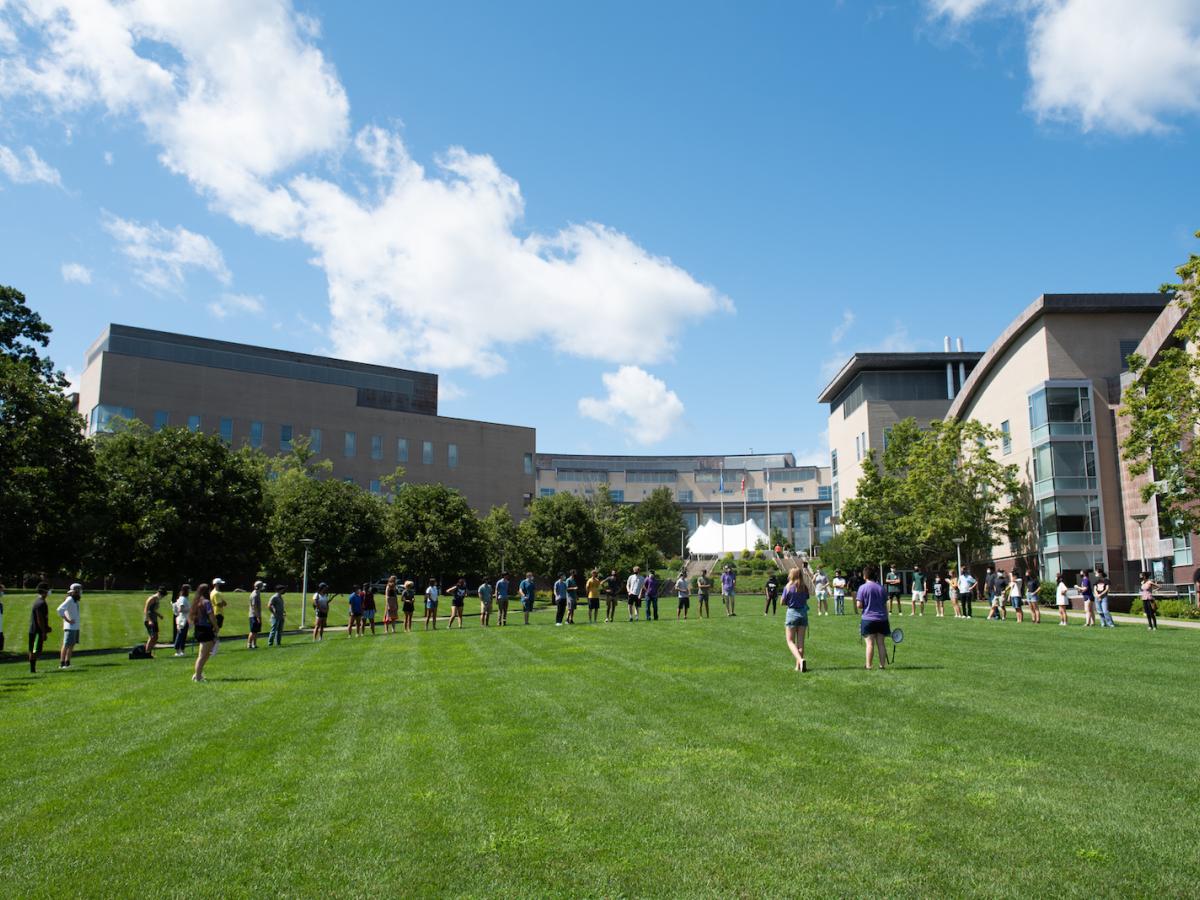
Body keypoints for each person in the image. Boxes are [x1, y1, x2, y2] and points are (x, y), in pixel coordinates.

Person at [856, 565, 890, 670]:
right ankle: (882, 665)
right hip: (882, 618)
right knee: (881, 643)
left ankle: (869, 665)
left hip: (868, 618)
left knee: (870, 644)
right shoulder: (881, 588)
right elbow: (885, 604)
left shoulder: (862, 588)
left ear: (865, 575)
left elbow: (859, 605)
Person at [782, 566, 810, 672]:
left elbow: (782, 602)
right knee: (800, 643)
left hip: (792, 613)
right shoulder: (804, 587)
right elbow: (806, 598)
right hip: (803, 614)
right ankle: (798, 666)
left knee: (790, 641)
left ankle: (800, 660)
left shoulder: (788, 587)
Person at [189, 582, 216, 683]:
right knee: (202, 655)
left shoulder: (196, 602)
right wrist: (216, 626)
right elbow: (211, 616)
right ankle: (198, 677)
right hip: (205, 630)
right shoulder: (206, 602)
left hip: (199, 629)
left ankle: (198, 674)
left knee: (205, 654)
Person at [56, 583, 82, 669]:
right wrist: (67, 620)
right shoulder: (70, 599)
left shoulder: (75, 600)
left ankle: (67, 662)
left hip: (75, 626)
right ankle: (62, 663)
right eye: (79, 590)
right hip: (70, 627)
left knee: (72, 644)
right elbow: (60, 609)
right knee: (66, 644)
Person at [27, 581, 51, 674]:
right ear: (44, 591)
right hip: (36, 630)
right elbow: (39, 618)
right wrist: (43, 631)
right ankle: (32, 670)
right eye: (48, 589)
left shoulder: (40, 602)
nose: (49, 591)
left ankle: (33, 669)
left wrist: (47, 626)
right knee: (34, 650)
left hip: (37, 630)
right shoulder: (40, 603)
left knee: (35, 650)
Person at [143, 585, 166, 657]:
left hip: (154, 619)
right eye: (162, 595)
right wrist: (149, 620)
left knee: (156, 637)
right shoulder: (152, 598)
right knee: (152, 636)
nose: (162, 597)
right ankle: (147, 653)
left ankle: (149, 652)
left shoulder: (157, 599)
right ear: (159, 593)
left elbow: (153, 610)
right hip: (149, 620)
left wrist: (159, 615)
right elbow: (146, 610)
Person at [172, 584, 191, 656]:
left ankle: (182, 651)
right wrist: (189, 609)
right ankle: (177, 650)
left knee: (184, 635)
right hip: (182, 619)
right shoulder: (183, 598)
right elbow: (181, 609)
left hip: (185, 618)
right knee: (181, 634)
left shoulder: (184, 598)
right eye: (189, 589)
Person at [210, 577, 227, 654]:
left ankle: (211, 647)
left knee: (215, 631)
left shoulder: (213, 592)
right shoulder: (216, 593)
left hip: (216, 612)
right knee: (215, 631)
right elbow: (219, 603)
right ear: (217, 584)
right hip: (218, 612)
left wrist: (223, 602)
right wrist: (223, 603)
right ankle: (212, 647)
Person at [247, 580, 264, 649]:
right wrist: (257, 617)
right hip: (254, 615)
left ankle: (254, 644)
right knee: (253, 630)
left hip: (256, 615)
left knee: (256, 631)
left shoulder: (257, 593)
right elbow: (254, 606)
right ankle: (249, 644)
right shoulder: (255, 595)